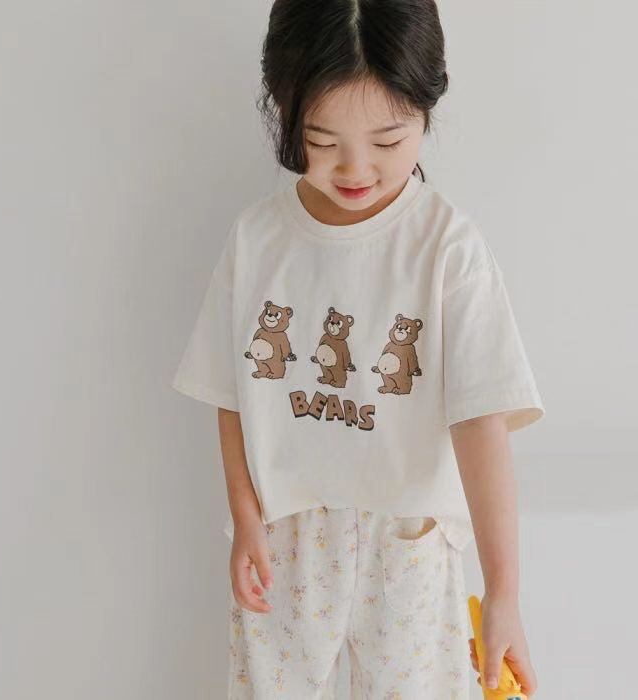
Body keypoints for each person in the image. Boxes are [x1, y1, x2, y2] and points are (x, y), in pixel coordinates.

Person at [172, 1, 544, 697]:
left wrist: (504, 593)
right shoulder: (258, 241)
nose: (355, 168)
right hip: (285, 539)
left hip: (408, 539)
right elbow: (230, 395)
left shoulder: (448, 250)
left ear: (427, 108)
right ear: (287, 113)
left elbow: (481, 423)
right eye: (321, 139)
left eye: (388, 140)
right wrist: (246, 517)